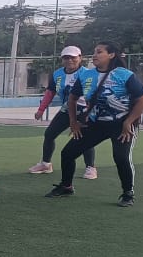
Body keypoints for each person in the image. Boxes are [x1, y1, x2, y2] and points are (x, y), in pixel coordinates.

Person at [45, 40, 143, 207]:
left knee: (121, 157)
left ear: (111, 55)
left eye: (99, 52)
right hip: (95, 124)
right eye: (94, 52)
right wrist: (73, 122)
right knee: (68, 153)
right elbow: (72, 99)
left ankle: (128, 193)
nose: (95, 55)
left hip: (121, 125)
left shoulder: (125, 75)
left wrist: (128, 122)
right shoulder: (87, 75)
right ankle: (66, 186)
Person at [31, 46, 97, 178]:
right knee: (49, 134)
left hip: (84, 110)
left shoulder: (88, 74)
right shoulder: (57, 74)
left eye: (73, 57)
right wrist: (41, 109)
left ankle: (90, 167)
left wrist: (88, 114)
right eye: (66, 57)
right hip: (67, 109)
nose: (69, 60)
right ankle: (45, 164)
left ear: (80, 58)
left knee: (84, 137)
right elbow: (50, 92)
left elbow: (93, 94)